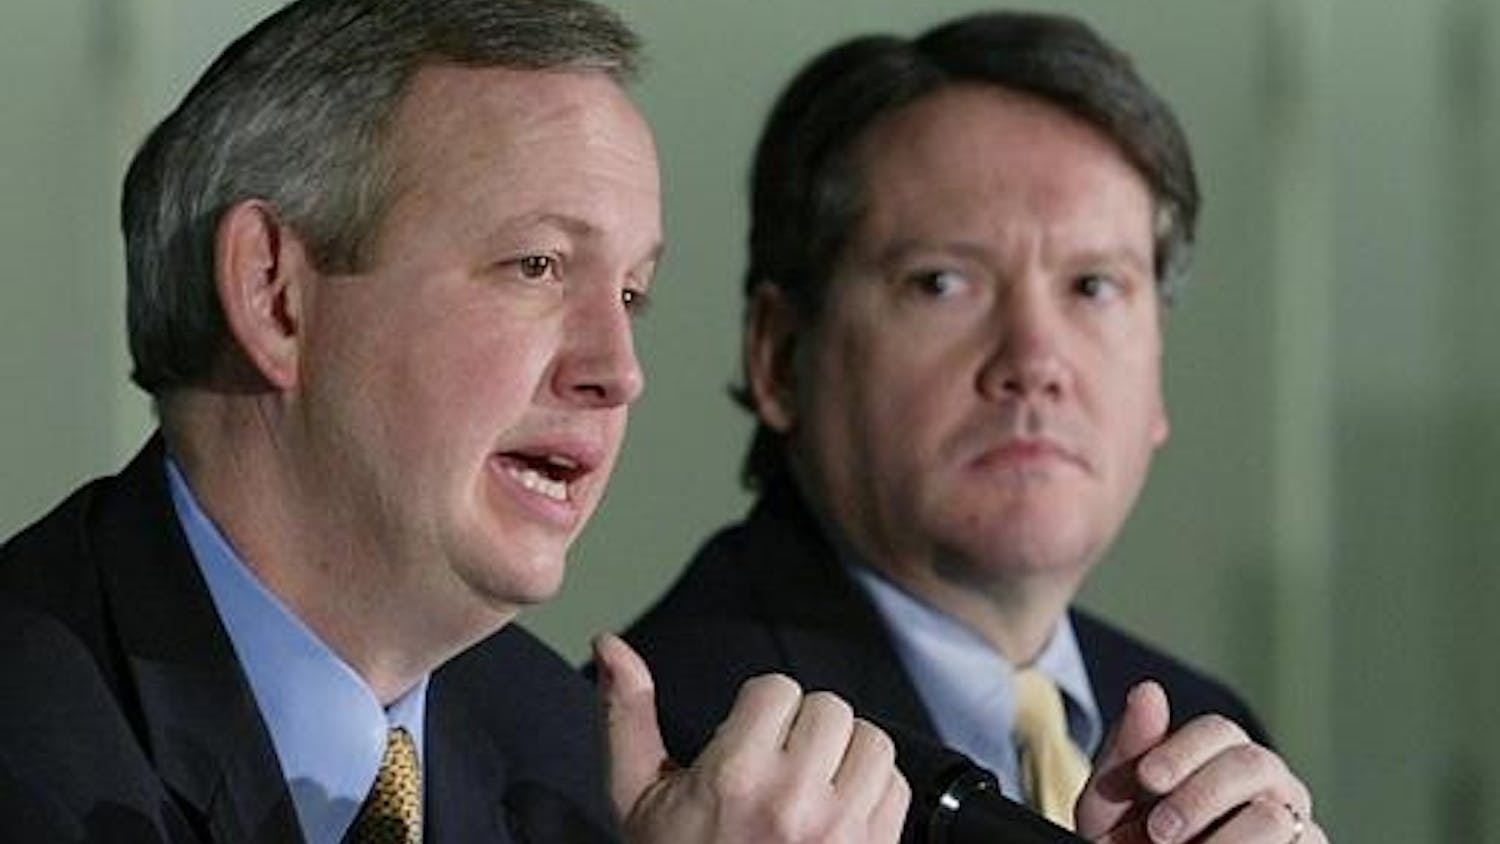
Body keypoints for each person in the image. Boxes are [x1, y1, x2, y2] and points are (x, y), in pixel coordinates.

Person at [0, 1, 910, 842]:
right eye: (538, 265)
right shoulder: (32, 744)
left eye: (632, 294)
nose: (619, 372)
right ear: (273, 294)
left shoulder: (564, 754)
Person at [620, 10, 1327, 844]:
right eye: (943, 284)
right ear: (779, 357)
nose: (1035, 359)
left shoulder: (1207, 747)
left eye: (1094, 287)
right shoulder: (666, 755)